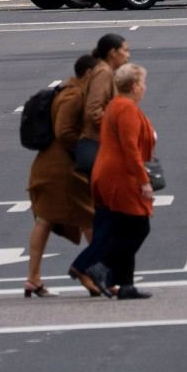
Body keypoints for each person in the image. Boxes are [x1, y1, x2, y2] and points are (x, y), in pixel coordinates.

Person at [24, 54, 97, 297]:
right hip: (63, 169)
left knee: (45, 219)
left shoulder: (68, 90)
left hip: (53, 165)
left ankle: (33, 278)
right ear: (89, 73)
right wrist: (85, 150)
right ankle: (99, 273)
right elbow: (64, 132)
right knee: (89, 218)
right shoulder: (74, 95)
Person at [68, 34, 130, 297]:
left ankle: (99, 270)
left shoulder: (104, 71)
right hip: (98, 149)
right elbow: (93, 110)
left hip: (100, 148)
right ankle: (88, 266)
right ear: (112, 52)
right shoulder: (103, 73)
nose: (128, 54)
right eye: (125, 50)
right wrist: (118, 123)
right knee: (111, 216)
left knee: (107, 216)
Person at [89, 62, 157, 299]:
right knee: (138, 226)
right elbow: (130, 147)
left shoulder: (116, 105)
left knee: (124, 226)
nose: (144, 87)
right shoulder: (126, 108)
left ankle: (126, 284)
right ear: (135, 86)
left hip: (109, 171)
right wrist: (143, 180)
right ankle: (102, 266)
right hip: (121, 174)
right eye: (143, 83)